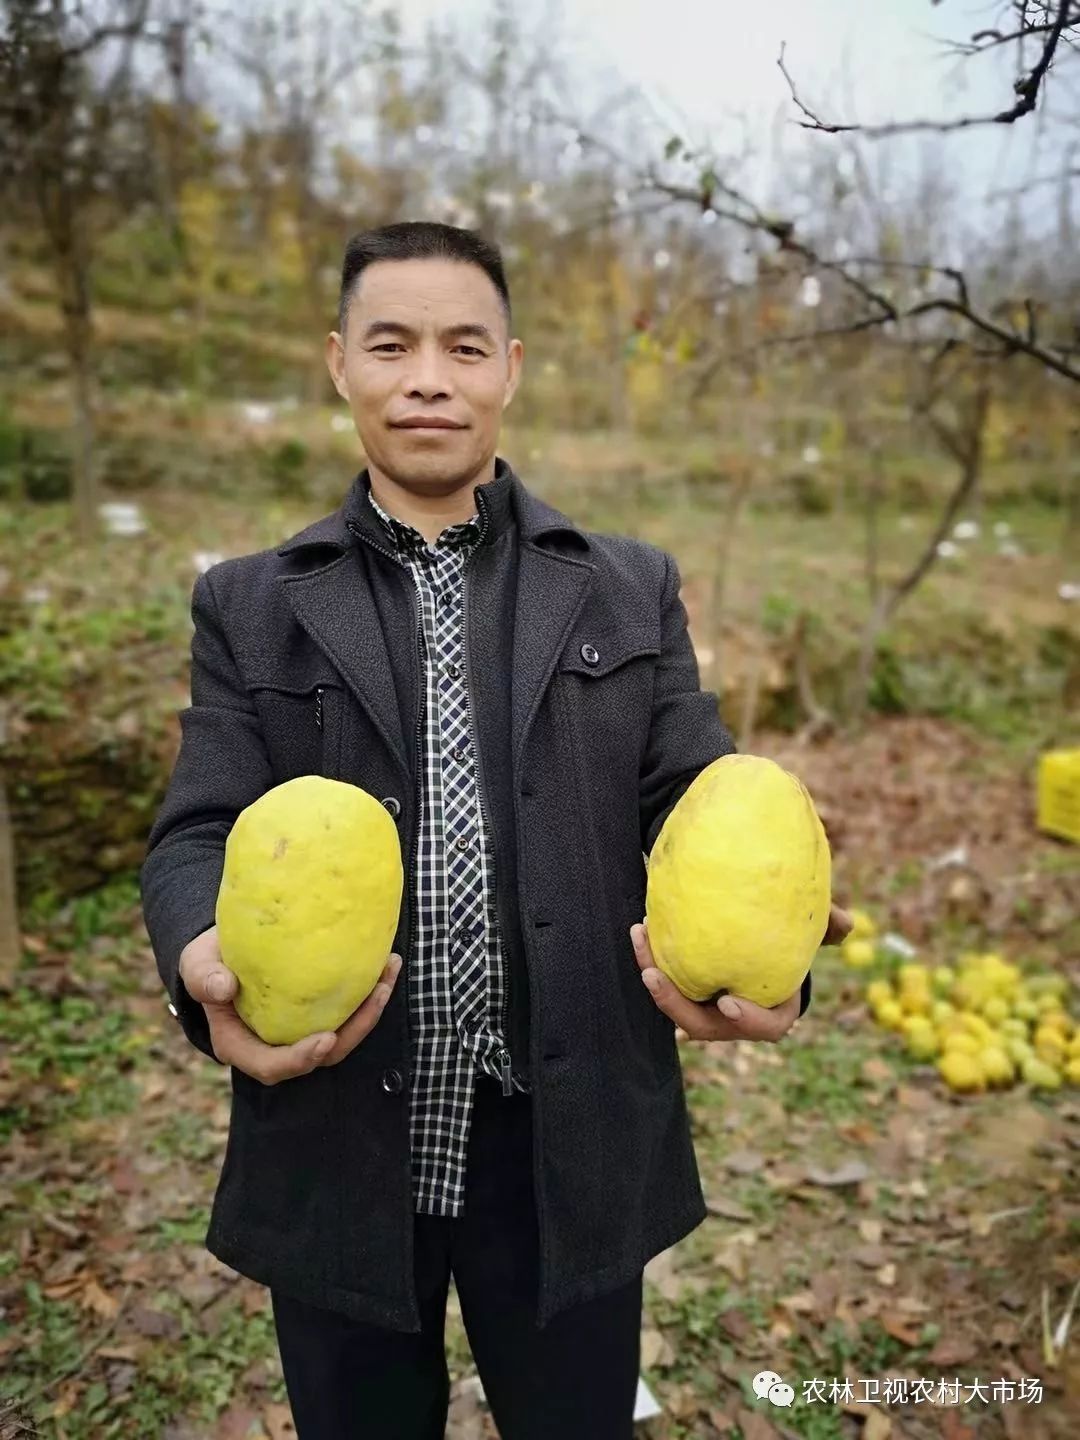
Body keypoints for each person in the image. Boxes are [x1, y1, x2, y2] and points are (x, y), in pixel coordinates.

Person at [140, 220, 853, 1440]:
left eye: (464, 345)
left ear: (510, 368)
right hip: (343, 1133)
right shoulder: (253, 605)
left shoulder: (626, 585)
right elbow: (197, 826)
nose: (430, 376)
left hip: (567, 1142)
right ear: (340, 364)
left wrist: (789, 954)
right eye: (392, 343)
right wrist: (199, 957)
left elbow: (710, 801)